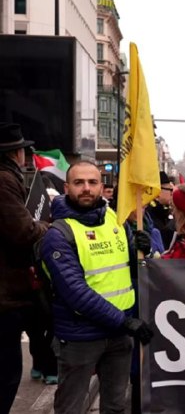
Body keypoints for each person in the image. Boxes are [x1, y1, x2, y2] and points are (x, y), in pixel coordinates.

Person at [39, 162, 154, 414]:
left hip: (119, 335)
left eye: (92, 182)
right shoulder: (58, 234)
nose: (86, 188)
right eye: (79, 183)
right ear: (66, 188)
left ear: (102, 186)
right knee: (71, 407)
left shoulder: (116, 220)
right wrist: (124, 322)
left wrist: (143, 251)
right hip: (81, 336)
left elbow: (134, 270)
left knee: (115, 406)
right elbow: (75, 293)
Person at [0, 123, 52, 412]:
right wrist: (45, 226)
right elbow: (22, 230)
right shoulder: (4, 179)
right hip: (6, 296)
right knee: (7, 372)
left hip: (8, 293)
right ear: (16, 153)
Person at [146, 171, 175, 248]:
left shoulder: (164, 212)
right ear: (157, 192)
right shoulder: (148, 214)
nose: (172, 193)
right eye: (170, 190)